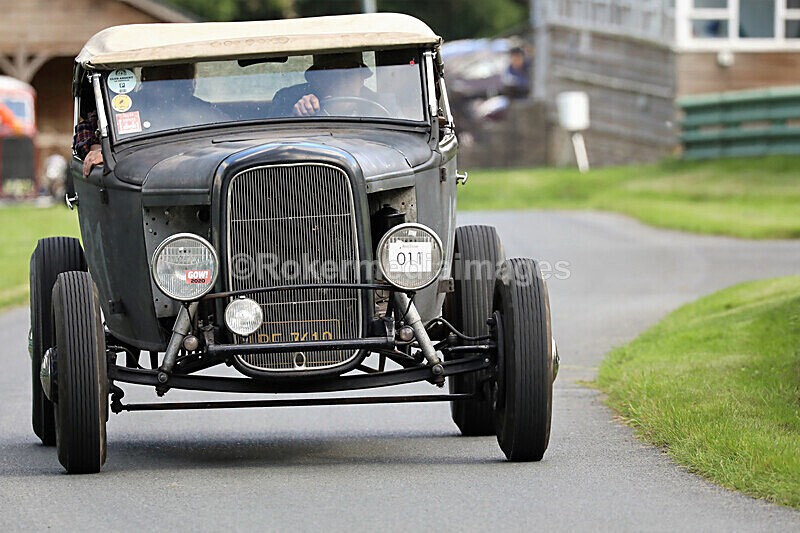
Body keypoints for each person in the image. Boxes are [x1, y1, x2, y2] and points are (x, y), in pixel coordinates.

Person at [271, 52, 382, 117]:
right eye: (331, 74)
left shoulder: (379, 105)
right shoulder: (287, 99)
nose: (341, 83)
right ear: (316, 80)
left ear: (361, 79)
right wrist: (299, 115)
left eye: (349, 74)